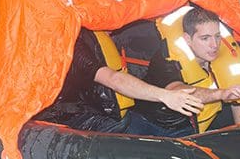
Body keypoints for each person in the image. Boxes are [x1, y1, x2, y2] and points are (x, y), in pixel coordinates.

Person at [34, 27, 203, 133]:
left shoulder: (87, 34)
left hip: (103, 110)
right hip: (68, 119)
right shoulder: (71, 46)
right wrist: (165, 95)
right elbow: (112, 78)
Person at [129, 6, 240, 137]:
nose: (214, 45)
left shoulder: (224, 57)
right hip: (153, 125)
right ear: (188, 39)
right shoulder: (166, 59)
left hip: (194, 123)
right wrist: (221, 94)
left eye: (217, 36)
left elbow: (237, 100)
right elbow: (178, 91)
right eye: (205, 38)